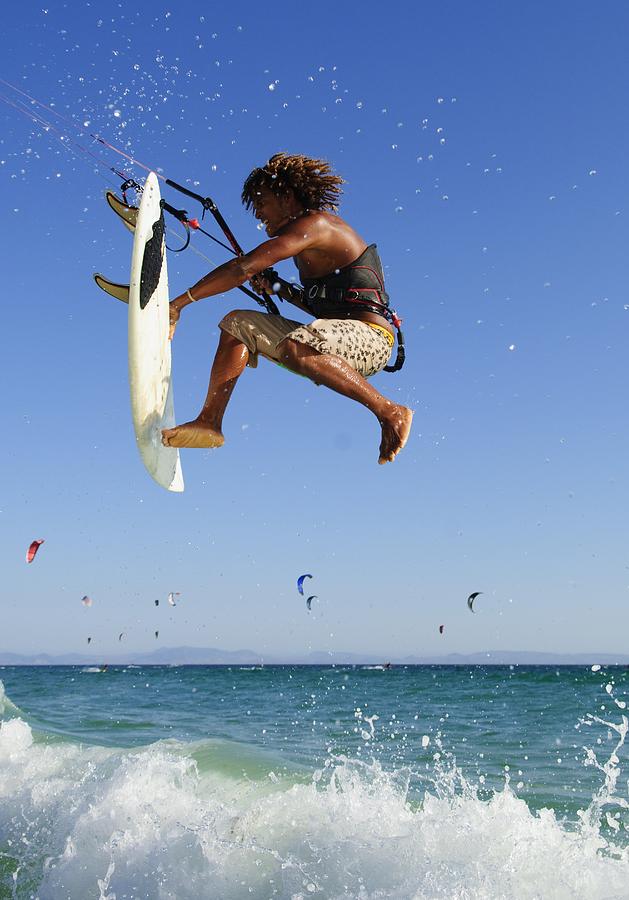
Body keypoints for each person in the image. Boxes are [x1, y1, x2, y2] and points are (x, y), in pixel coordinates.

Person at [161, 153, 413, 464]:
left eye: (261, 202)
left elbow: (244, 266)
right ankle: (209, 422)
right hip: (338, 336)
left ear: (286, 197)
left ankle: (390, 411)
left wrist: (178, 304)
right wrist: (277, 287)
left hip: (373, 340)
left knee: (298, 344)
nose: (258, 213)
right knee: (237, 324)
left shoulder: (317, 225)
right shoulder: (307, 240)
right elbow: (326, 311)